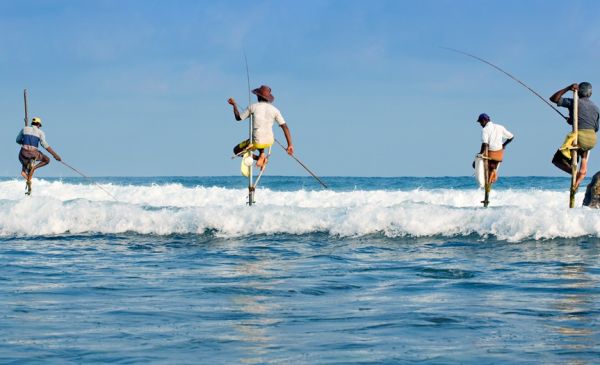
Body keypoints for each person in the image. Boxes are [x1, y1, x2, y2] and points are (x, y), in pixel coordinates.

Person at [228, 85, 293, 169]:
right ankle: (262, 154)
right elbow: (285, 127)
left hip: (257, 142)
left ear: (258, 96)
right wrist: (290, 145)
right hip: (269, 141)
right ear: (268, 98)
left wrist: (234, 105)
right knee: (259, 138)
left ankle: (259, 158)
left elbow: (238, 118)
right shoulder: (275, 110)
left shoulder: (253, 107)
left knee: (236, 150)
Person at [549, 82, 599, 189]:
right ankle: (582, 172)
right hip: (592, 139)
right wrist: (572, 120)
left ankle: (575, 173)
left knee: (556, 161)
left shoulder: (574, 102)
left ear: (577, 92)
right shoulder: (596, 108)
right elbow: (595, 128)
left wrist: (567, 88)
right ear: (590, 94)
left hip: (579, 137)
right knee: (583, 155)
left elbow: (553, 99)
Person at [16, 117, 61, 184]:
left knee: (25, 164)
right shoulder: (40, 132)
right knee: (47, 160)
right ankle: (34, 168)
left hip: (23, 153)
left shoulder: (24, 129)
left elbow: (18, 140)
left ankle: (26, 175)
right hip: (33, 154)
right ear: (39, 125)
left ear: (32, 123)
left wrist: (25, 142)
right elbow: (44, 144)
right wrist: (55, 155)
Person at [475, 113, 514, 184]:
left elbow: (485, 144)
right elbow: (511, 137)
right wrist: (504, 145)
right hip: (499, 154)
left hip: (490, 154)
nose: (480, 124)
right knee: (492, 167)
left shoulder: (485, 130)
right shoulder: (500, 127)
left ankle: (486, 182)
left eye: (480, 122)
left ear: (484, 121)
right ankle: (492, 174)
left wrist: (480, 155)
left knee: (475, 164)